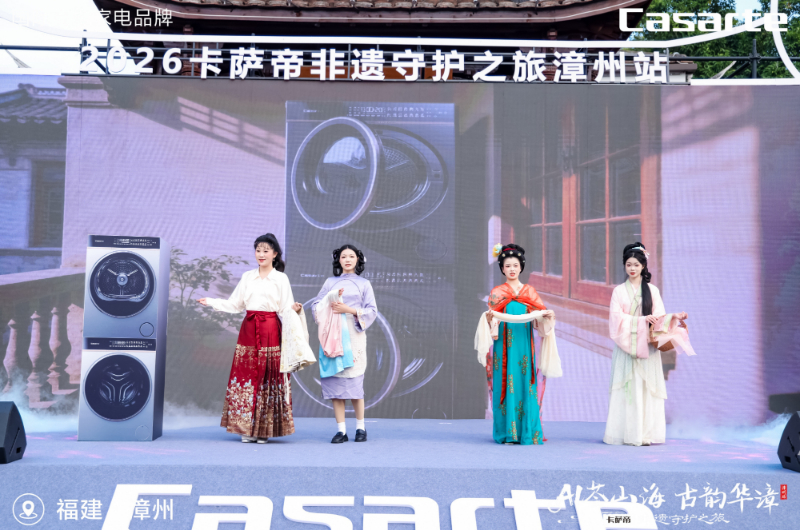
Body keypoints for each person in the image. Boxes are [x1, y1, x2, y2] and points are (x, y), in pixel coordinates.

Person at [197, 233, 313, 443]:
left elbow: (285, 308)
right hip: (249, 330)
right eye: (258, 250)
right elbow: (235, 305)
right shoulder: (247, 277)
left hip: (270, 329)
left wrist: (295, 309)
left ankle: (264, 430)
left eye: (266, 250)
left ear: (275, 254)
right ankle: (246, 429)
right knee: (246, 377)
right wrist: (212, 301)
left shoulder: (280, 278)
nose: (261, 254)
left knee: (268, 377)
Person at [603, 242, 692, 446]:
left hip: (647, 347)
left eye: (636, 264)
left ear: (643, 266)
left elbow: (659, 318)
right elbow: (615, 320)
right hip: (626, 347)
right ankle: (626, 434)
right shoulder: (618, 291)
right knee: (628, 389)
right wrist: (642, 320)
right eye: (628, 264)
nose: (632, 268)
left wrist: (673, 317)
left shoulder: (652, 290)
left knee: (645, 388)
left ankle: (645, 434)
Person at [482, 244, 558, 445]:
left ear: (521, 267)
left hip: (524, 345)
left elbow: (538, 320)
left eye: (515, 265)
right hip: (503, 347)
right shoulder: (497, 293)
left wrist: (546, 317)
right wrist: (491, 320)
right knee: (505, 382)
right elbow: (491, 324)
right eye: (507, 266)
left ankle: (527, 432)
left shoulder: (529, 292)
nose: (512, 269)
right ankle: (507, 433)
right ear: (502, 268)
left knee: (525, 382)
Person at [310, 244, 377, 444]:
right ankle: (341, 430)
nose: (347, 260)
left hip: (354, 335)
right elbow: (316, 305)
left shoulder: (364, 284)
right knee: (335, 384)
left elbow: (372, 310)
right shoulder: (330, 282)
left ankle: (360, 427)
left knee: (354, 383)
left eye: (351, 256)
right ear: (338, 260)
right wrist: (329, 302)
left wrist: (349, 309)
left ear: (358, 260)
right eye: (343, 256)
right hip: (332, 333)